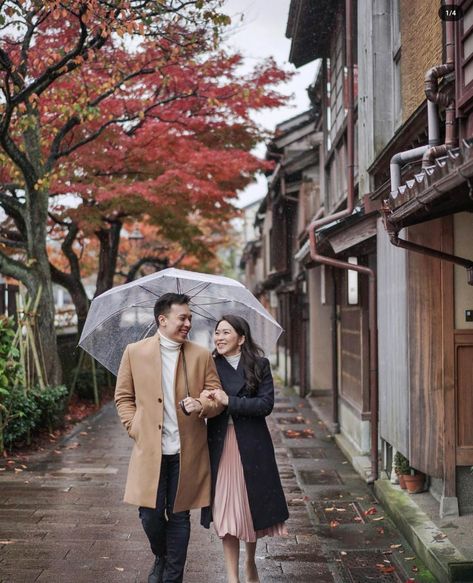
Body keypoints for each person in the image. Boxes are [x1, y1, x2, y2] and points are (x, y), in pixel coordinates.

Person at [114, 293, 223, 583]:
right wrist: (134, 426)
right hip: (150, 449)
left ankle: (172, 576)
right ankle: (161, 555)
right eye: (182, 317)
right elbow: (124, 397)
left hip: (187, 451)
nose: (188, 322)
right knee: (149, 515)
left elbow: (217, 397)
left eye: (190, 317)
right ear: (162, 320)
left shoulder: (201, 354)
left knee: (179, 516)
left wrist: (202, 405)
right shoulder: (135, 352)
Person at [200, 315, 289, 583]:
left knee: (250, 508)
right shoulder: (209, 365)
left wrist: (230, 401)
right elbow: (203, 401)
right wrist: (202, 402)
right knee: (226, 511)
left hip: (252, 445)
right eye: (217, 333)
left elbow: (265, 405)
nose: (219, 337)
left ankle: (250, 561)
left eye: (226, 332)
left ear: (241, 338)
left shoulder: (259, 365)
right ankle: (232, 578)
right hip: (220, 444)